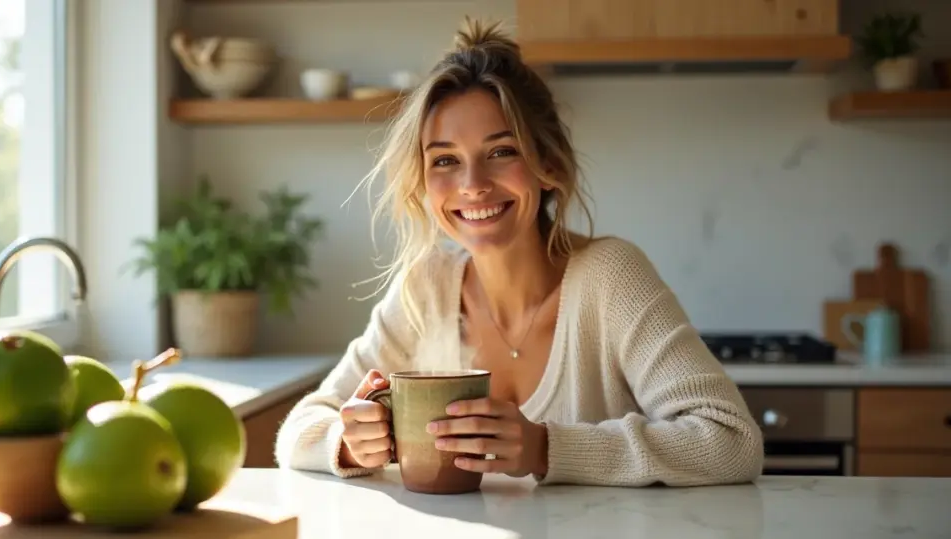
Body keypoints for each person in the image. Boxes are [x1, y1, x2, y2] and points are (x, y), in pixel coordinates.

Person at [274, 18, 764, 487]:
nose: (473, 186)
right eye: (445, 160)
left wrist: (545, 448)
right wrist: (349, 442)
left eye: (502, 151)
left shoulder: (611, 278)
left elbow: (731, 440)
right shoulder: (427, 287)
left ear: (547, 162)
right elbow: (300, 429)